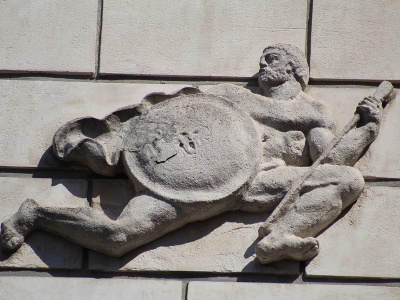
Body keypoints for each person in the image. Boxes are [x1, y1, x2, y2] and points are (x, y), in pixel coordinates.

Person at [1, 44, 382, 264]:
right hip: (188, 182)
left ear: (295, 69)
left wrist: (366, 127)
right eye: (264, 58)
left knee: (347, 179)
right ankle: (34, 214)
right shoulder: (232, 97)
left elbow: (331, 160)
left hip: (259, 182)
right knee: (119, 238)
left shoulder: (312, 113)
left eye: (273, 58)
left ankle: (279, 237)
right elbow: (182, 117)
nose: (262, 64)